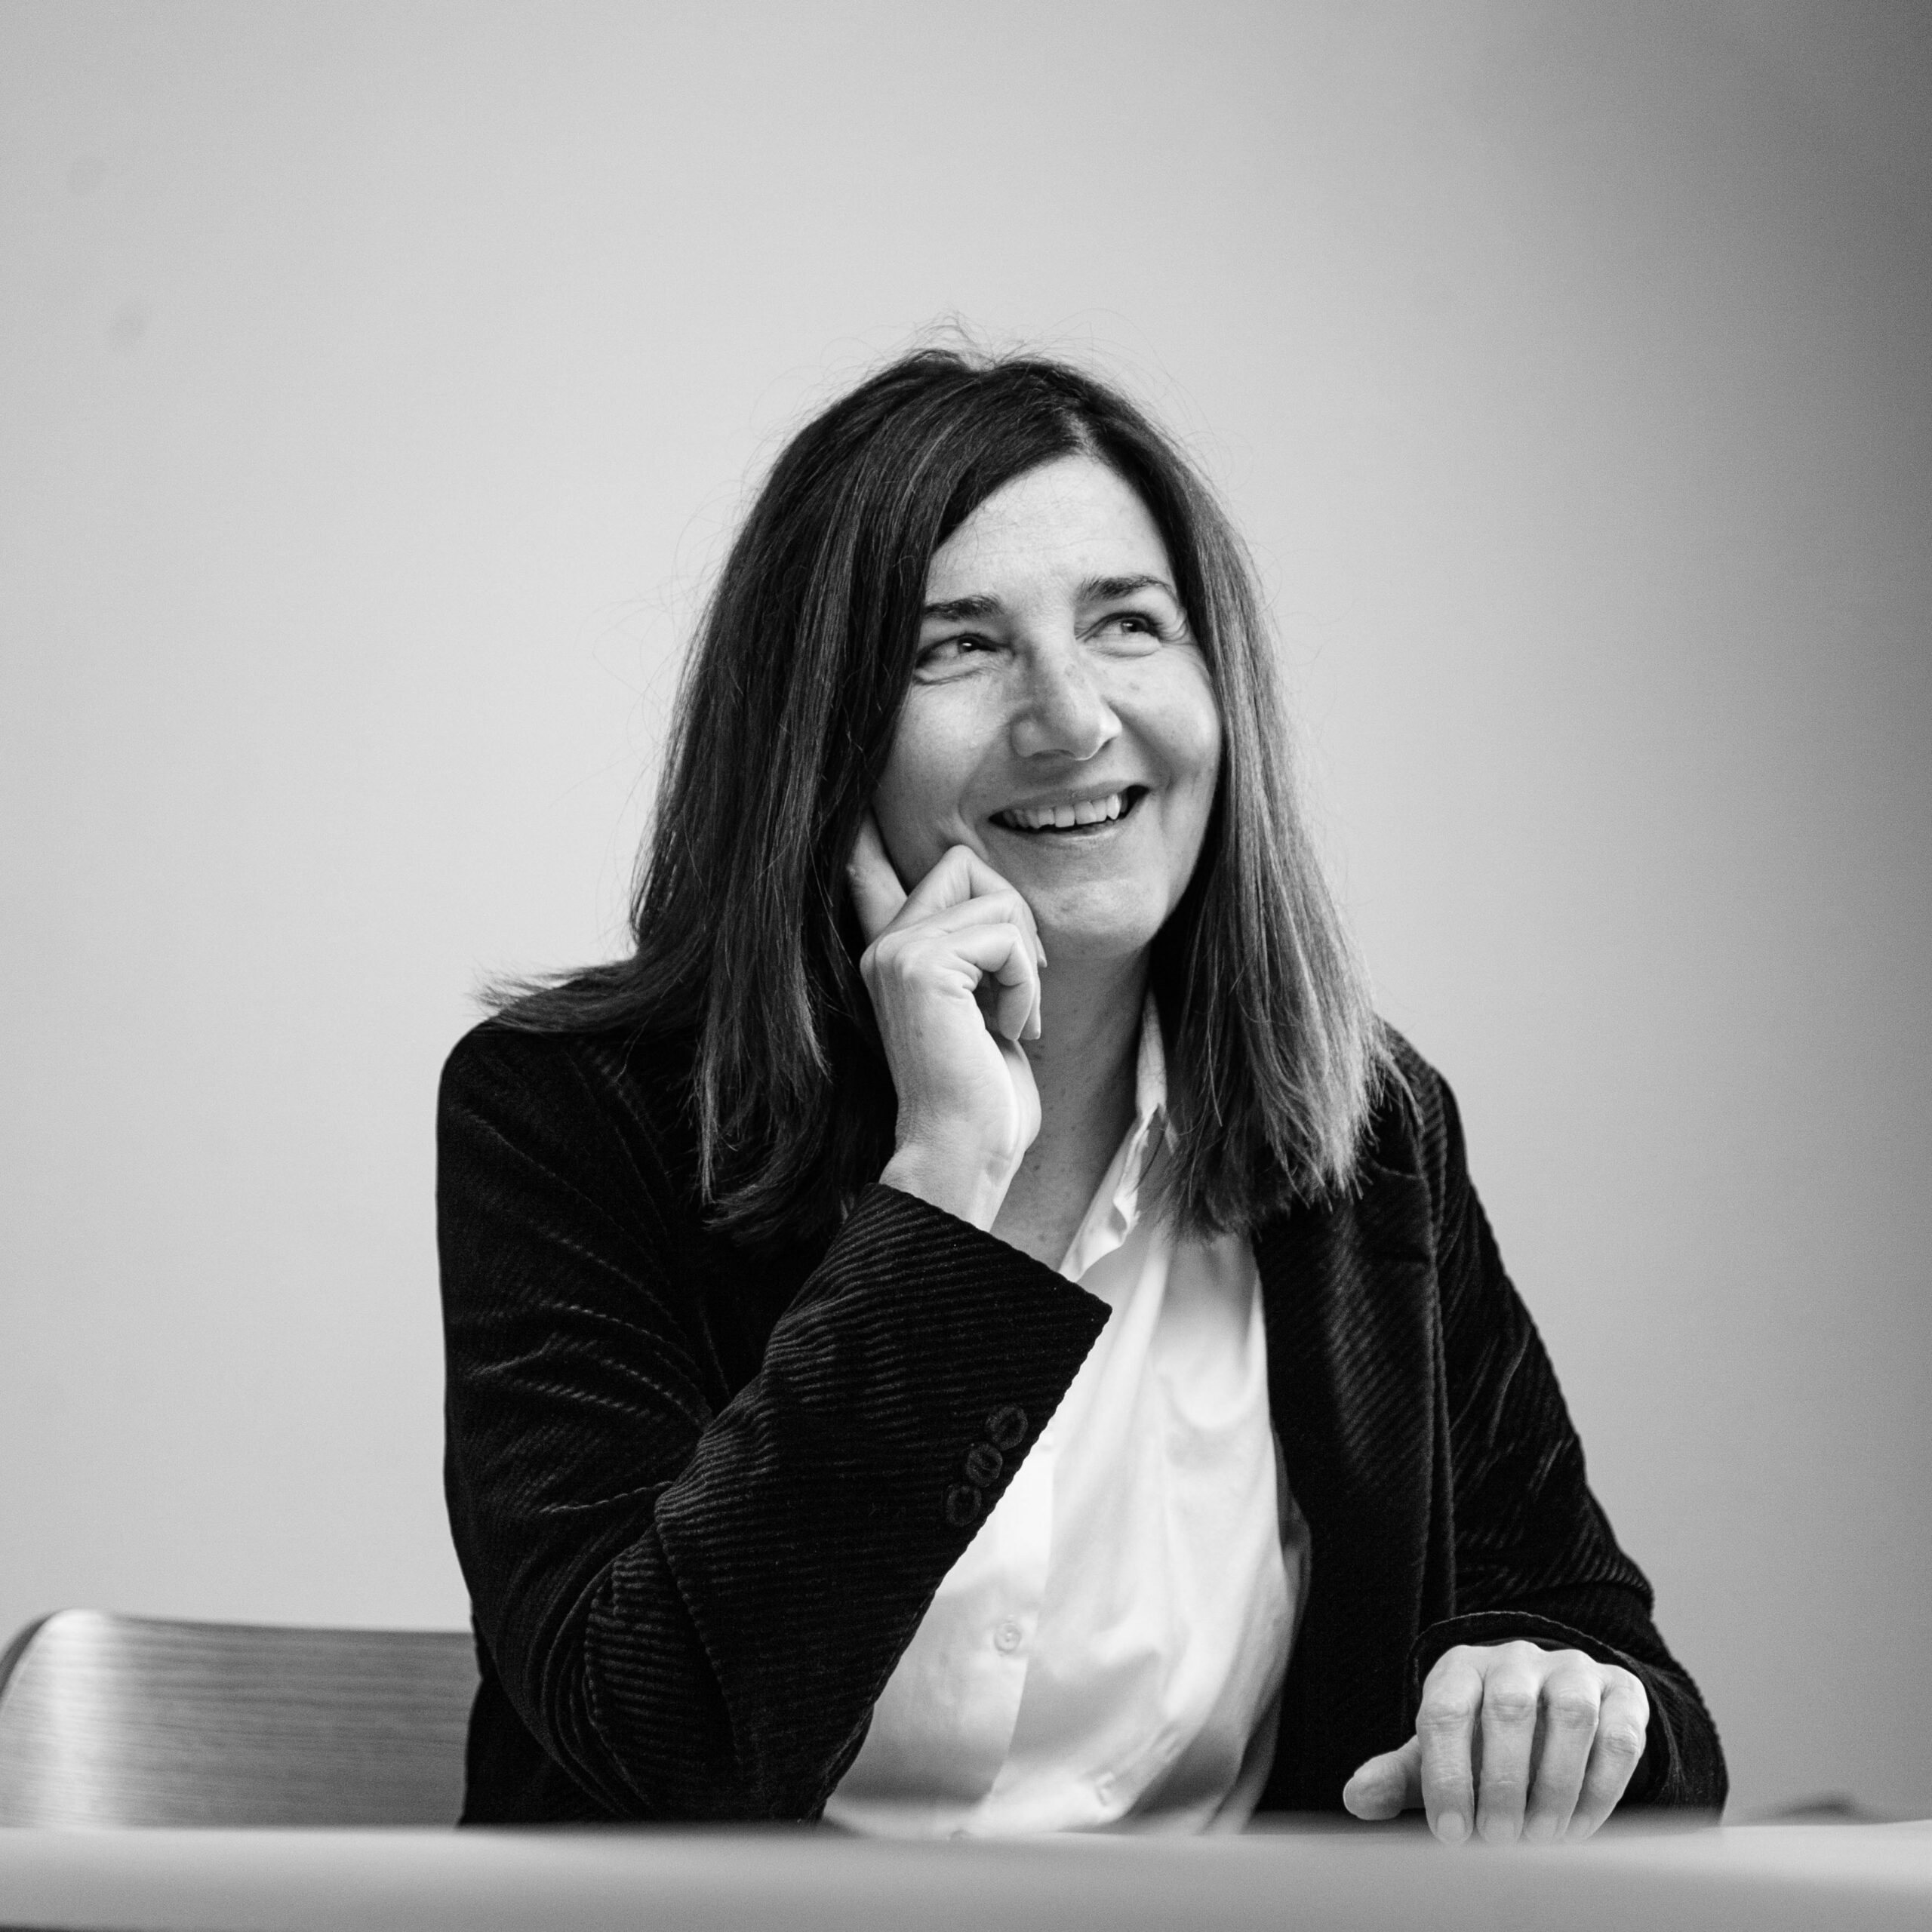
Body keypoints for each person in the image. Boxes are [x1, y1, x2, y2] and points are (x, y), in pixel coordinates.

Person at [436, 346, 1726, 1840]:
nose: (1070, 718)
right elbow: (659, 1741)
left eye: (1127, 622)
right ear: (815, 736)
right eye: (954, 647)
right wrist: (941, 1187)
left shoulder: (1366, 1137)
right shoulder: (568, 1114)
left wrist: (1554, 1702)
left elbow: (1624, 1683)